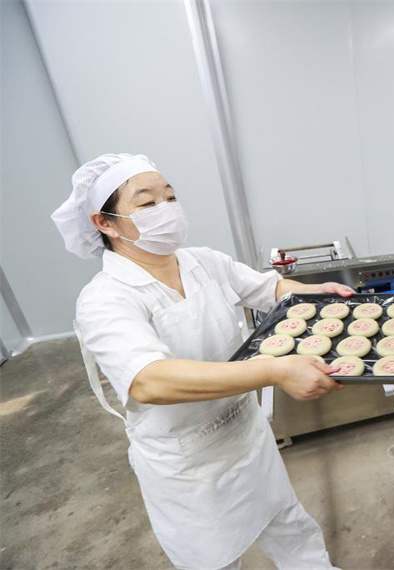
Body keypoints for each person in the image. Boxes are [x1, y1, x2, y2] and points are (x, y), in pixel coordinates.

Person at [51, 153, 353, 569]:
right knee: (214, 560)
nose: (167, 210)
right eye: (147, 202)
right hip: (188, 463)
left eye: (170, 197)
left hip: (246, 435)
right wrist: (274, 370)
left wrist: (306, 291)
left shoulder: (203, 261)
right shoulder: (106, 298)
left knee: (290, 526)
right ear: (104, 223)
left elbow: (268, 288)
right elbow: (148, 381)